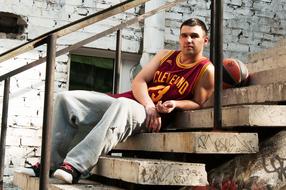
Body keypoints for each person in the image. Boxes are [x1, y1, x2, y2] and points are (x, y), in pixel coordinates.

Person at [21, 18, 215, 184]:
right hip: (137, 103)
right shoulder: (166, 55)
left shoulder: (206, 70)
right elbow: (139, 80)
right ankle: (49, 163)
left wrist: (176, 104)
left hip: (152, 117)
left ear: (205, 40)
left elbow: (198, 102)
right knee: (66, 98)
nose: (188, 40)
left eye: (194, 36)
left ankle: (75, 165)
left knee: (123, 106)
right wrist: (148, 105)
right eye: (184, 35)